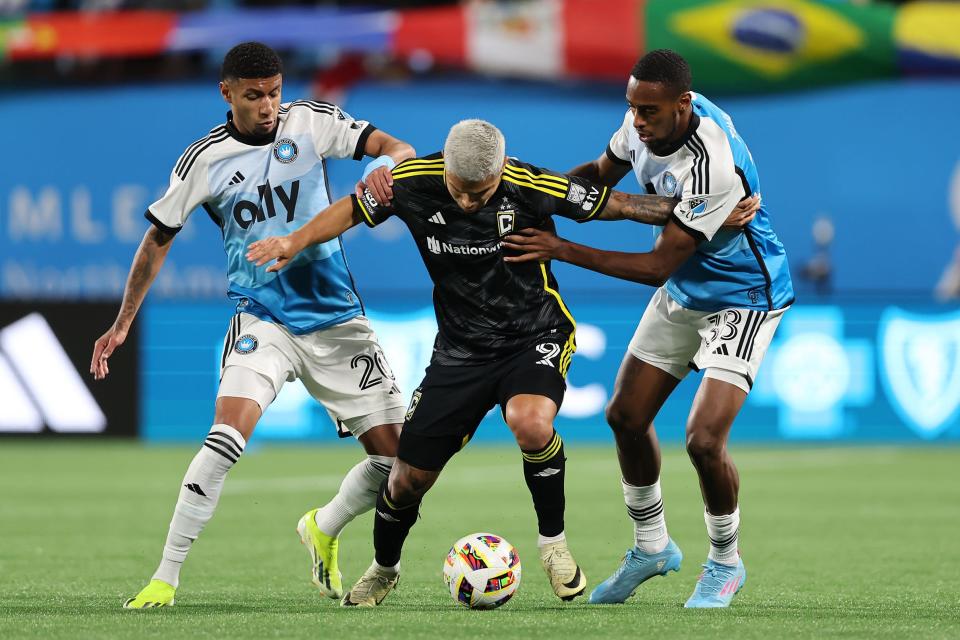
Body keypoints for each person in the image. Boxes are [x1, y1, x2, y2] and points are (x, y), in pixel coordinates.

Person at [246, 119, 759, 607]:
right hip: (459, 350)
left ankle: (553, 545)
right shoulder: (409, 181)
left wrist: (701, 212)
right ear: (445, 164)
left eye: (482, 190)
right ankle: (384, 567)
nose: (470, 199)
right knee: (405, 481)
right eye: (462, 188)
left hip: (533, 333)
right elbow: (350, 211)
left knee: (530, 422)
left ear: (501, 169)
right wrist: (294, 240)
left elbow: (619, 205)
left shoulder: (530, 183)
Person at [90, 41, 416, 609]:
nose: (267, 106)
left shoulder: (313, 122)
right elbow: (157, 239)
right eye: (253, 96)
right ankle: (164, 578)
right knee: (225, 438)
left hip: (336, 321)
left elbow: (395, 146)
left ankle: (323, 525)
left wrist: (383, 167)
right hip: (262, 319)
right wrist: (122, 323)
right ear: (226, 94)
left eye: (273, 93)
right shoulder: (203, 161)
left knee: (398, 467)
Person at [502, 49, 794, 609]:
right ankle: (651, 547)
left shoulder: (713, 166)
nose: (637, 121)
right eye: (632, 107)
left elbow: (657, 267)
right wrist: (537, 198)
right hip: (686, 289)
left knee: (704, 439)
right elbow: (596, 179)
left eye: (649, 111)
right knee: (625, 416)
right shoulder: (645, 117)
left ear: (683, 105)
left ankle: (726, 562)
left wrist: (560, 247)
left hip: (744, 295)